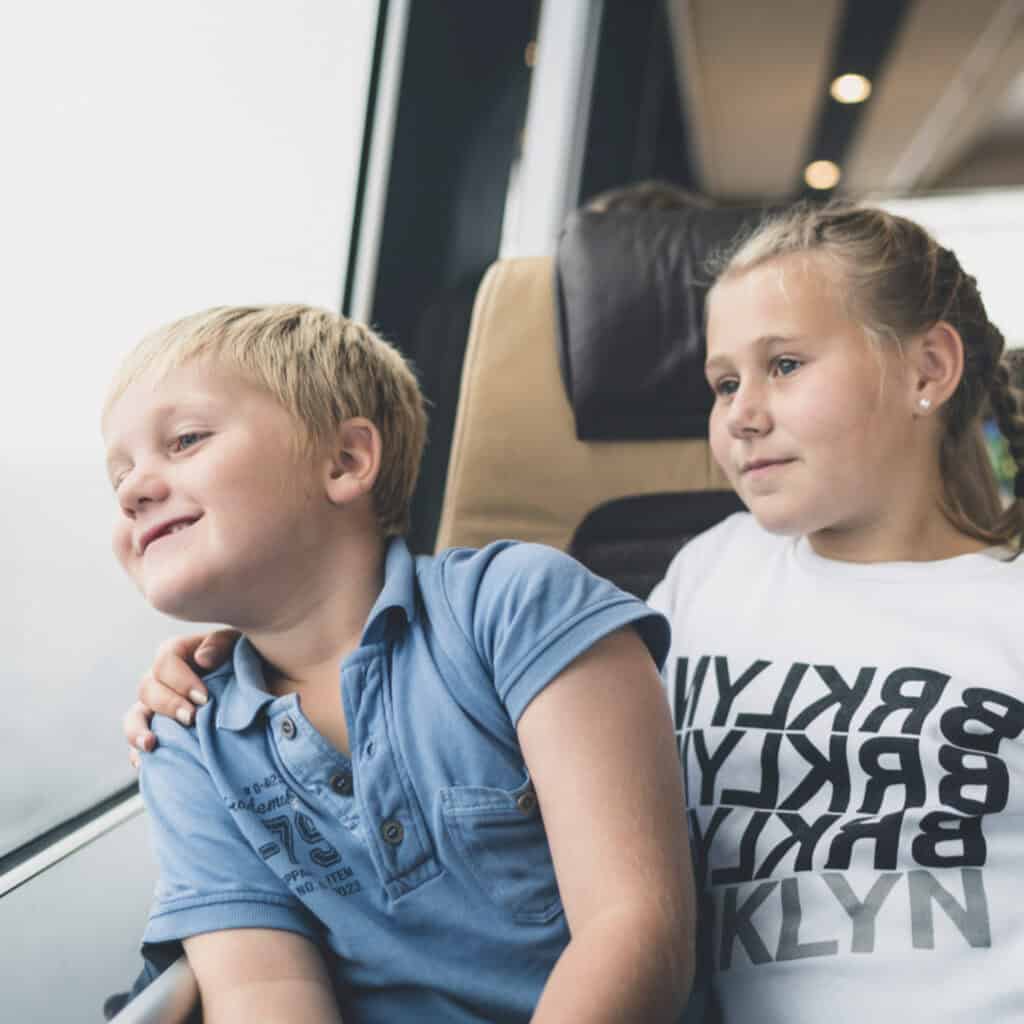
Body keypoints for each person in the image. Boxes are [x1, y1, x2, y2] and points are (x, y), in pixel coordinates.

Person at [102, 304, 694, 1023]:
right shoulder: (185, 740)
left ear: (347, 461)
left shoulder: (516, 607)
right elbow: (262, 999)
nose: (132, 490)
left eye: (186, 440)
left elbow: (635, 929)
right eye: (119, 474)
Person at [646, 202, 1024, 1022]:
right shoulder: (707, 574)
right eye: (724, 383)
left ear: (927, 370)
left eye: (783, 365)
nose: (741, 414)